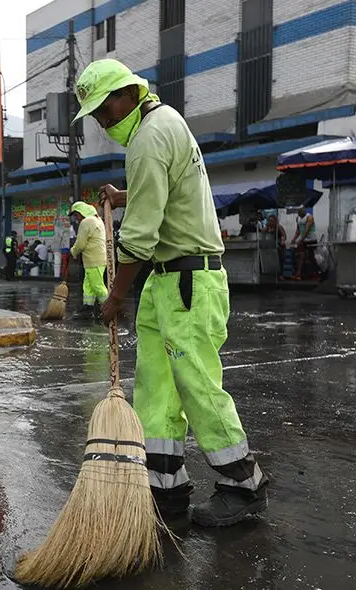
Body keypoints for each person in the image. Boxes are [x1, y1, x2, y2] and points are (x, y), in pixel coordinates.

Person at [75, 58, 268, 526]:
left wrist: (115, 296)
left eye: (106, 109)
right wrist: (124, 196)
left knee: (197, 384)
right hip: (167, 281)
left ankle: (244, 486)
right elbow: (163, 193)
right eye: (95, 115)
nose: (103, 120)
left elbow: (139, 236)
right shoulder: (160, 126)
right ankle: (167, 491)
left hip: (188, 281)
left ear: (128, 93)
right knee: (156, 390)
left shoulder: (149, 136)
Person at [68, 201, 109, 320]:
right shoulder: (97, 220)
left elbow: (80, 244)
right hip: (97, 259)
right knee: (89, 285)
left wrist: (73, 252)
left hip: (93, 260)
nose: (76, 218)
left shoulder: (86, 222)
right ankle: (88, 307)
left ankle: (109, 307)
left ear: (82, 212)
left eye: (76, 215)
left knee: (97, 286)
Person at [289, 207, 317, 280]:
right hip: (303, 240)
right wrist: (293, 239)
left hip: (311, 240)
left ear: (304, 212)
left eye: (302, 212)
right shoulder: (298, 218)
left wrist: (300, 240)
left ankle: (314, 274)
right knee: (299, 255)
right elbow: (298, 231)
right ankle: (298, 274)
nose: (300, 214)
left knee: (311, 257)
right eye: (299, 212)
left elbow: (306, 230)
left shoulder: (309, 217)